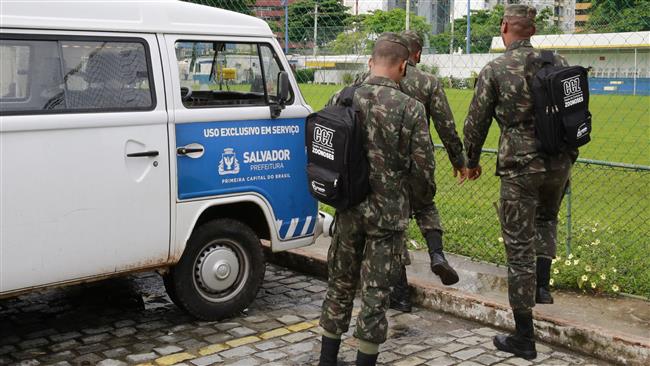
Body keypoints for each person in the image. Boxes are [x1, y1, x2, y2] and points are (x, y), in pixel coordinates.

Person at [463, 4, 576, 360]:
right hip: (558, 161)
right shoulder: (557, 61)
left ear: (506, 27)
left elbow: (476, 122)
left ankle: (524, 337)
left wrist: (469, 161)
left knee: (518, 248)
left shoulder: (496, 68)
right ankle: (542, 287)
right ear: (533, 29)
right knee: (547, 219)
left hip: (520, 165)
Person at [318, 33, 435, 366]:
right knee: (376, 293)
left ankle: (327, 358)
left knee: (339, 283)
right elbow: (424, 171)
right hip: (388, 215)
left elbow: (324, 151)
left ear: (371, 63)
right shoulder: (411, 108)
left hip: (348, 208)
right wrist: (418, 201)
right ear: (402, 67)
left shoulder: (341, 97)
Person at [351, 31, 466, 313]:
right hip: (415, 157)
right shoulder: (428, 82)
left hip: (375, 167)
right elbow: (445, 125)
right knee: (426, 204)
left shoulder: (362, 81)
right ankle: (436, 254)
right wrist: (459, 159)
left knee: (392, 228)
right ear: (416, 55)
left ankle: (400, 293)